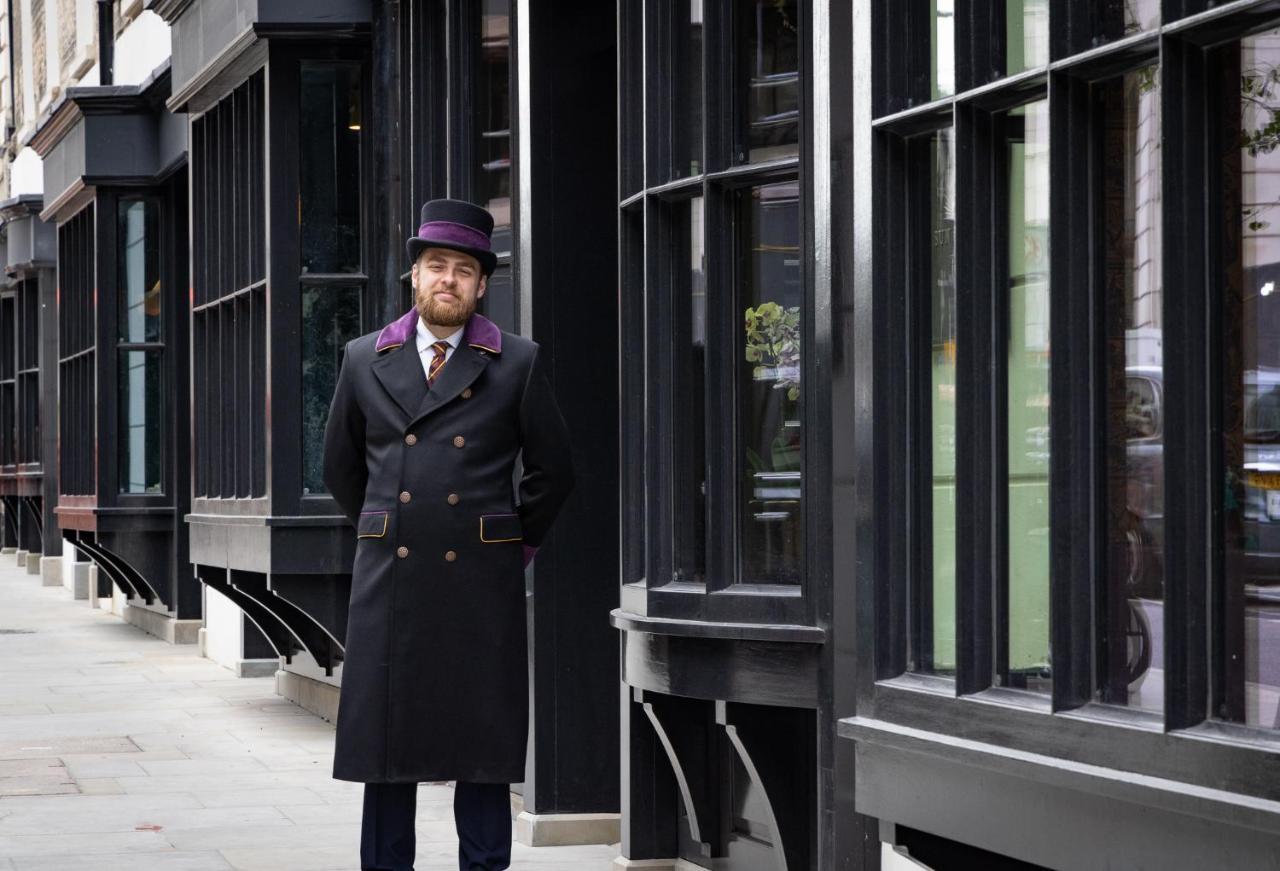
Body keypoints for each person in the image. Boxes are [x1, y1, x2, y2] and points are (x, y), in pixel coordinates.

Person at [322, 198, 575, 871]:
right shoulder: (362, 359)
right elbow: (340, 466)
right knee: (387, 750)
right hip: (391, 582)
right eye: (436, 265)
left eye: (464, 270)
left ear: (482, 284)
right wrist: (383, 526)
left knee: (482, 750)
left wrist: (512, 542)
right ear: (414, 275)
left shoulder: (516, 362)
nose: (448, 280)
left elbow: (555, 469)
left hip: (478, 585)